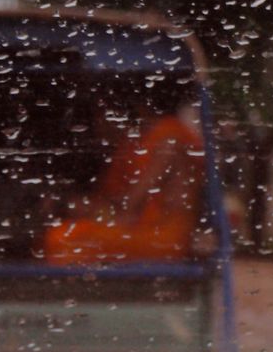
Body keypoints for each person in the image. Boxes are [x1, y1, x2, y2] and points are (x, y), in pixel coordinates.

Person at [42, 94, 204, 264]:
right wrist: (67, 204)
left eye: (102, 116)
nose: (98, 126)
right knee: (61, 236)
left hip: (161, 238)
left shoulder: (168, 138)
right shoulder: (129, 147)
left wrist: (87, 211)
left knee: (61, 239)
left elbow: (130, 206)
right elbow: (108, 204)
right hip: (137, 233)